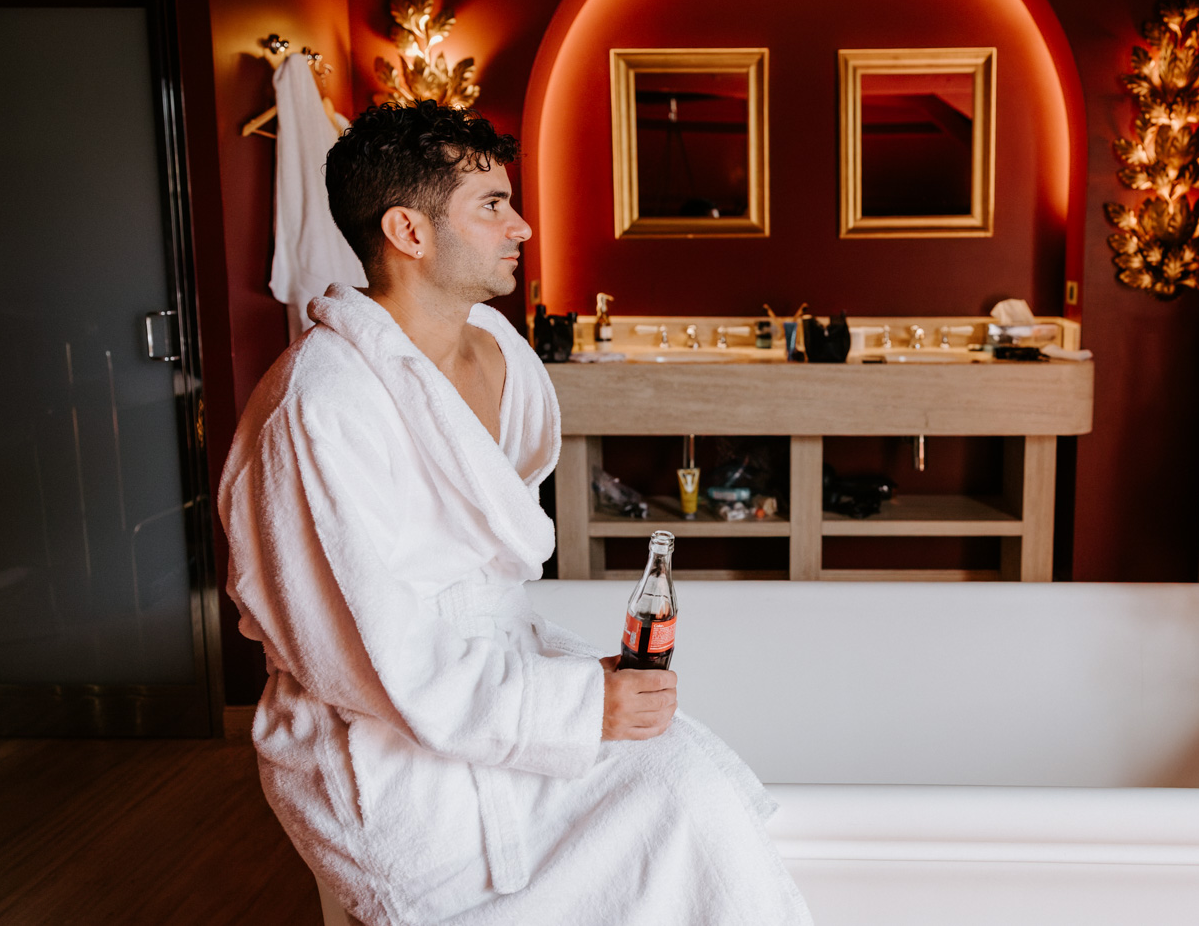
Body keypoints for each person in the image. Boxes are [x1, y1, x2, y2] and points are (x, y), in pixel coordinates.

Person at [219, 101, 811, 926]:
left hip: (496, 679)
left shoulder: (501, 349)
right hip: (382, 739)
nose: (523, 226)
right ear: (408, 231)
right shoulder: (322, 407)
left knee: (695, 794)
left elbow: (479, 541)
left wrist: (571, 694)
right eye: (491, 206)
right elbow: (370, 656)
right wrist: (575, 707)